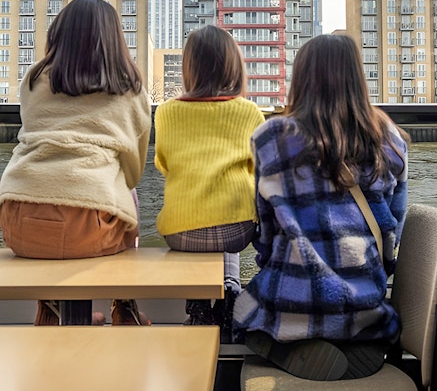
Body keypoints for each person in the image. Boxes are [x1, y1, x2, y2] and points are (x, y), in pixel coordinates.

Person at [233, 33, 409, 380]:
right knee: (366, 319)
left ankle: (290, 343)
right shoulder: (391, 139)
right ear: (357, 79)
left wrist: (270, 262)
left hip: (291, 299)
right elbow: (394, 229)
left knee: (242, 313)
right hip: (363, 306)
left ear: (301, 79)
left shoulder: (272, 138)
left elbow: (266, 229)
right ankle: (356, 344)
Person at [0, 0, 152, 326]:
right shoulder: (131, 87)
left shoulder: (34, 78)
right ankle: (124, 305)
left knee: (48, 192)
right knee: (127, 195)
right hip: (89, 227)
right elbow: (133, 170)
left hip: (17, 220)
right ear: (114, 40)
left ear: (58, 33)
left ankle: (51, 308)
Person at [154, 25, 265, 341]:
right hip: (237, 229)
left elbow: (163, 163)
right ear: (234, 66)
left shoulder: (166, 112)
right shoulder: (249, 112)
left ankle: (199, 307)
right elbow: (258, 171)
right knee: (228, 216)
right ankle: (230, 290)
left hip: (179, 232)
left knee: (201, 217)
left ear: (189, 67)